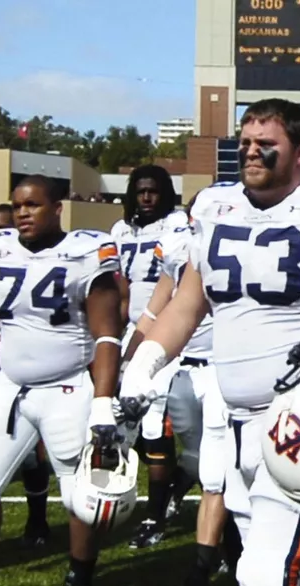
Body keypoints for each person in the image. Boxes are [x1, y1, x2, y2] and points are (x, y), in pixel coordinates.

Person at [121, 98, 300, 586]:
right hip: (233, 419)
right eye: (245, 144)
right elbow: (186, 306)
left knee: (264, 579)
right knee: (291, 573)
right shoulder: (215, 208)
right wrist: (144, 367)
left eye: (267, 145)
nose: (252, 154)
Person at [0, 175, 123, 586]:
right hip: (12, 388)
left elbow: (107, 333)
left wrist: (102, 401)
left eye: (33, 205)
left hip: (66, 388)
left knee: (82, 496)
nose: (23, 212)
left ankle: (80, 582)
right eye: (18, 205)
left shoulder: (84, 252)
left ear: (58, 208)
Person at [123, 196, 230, 586]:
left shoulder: (238, 240)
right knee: (197, 459)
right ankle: (224, 544)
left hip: (227, 368)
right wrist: (132, 357)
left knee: (220, 472)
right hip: (187, 365)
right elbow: (160, 306)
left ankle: (209, 561)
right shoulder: (176, 245)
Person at [111, 165, 192, 549]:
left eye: (153, 191)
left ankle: (156, 513)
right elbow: (122, 288)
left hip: (173, 331)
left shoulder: (178, 226)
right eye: (140, 191)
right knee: (125, 418)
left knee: (156, 422)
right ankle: (175, 482)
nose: (146, 198)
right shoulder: (121, 230)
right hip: (136, 328)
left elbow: (173, 287)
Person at [0, 203, 52, 547]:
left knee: (27, 450)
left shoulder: (30, 266)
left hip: (10, 366)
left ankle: (37, 520)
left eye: (1, 229)